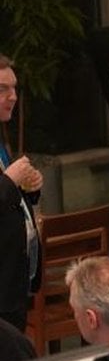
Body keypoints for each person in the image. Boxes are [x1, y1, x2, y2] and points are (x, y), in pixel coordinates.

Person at [0, 54, 42, 332]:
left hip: (13, 280)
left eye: (14, 88)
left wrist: (29, 188)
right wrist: (8, 180)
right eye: (2, 89)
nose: (13, 96)